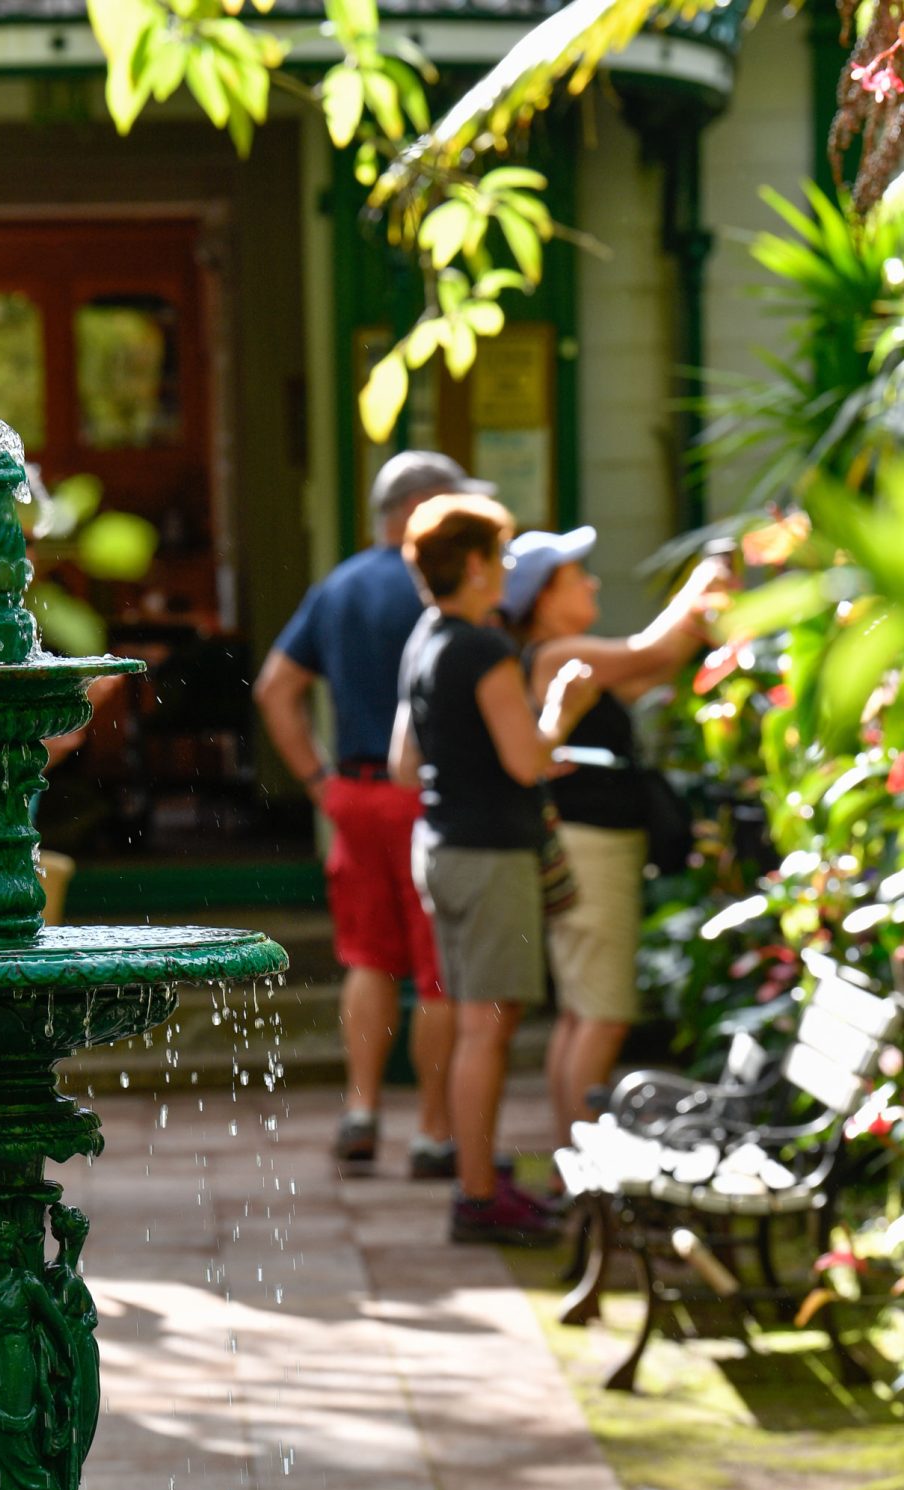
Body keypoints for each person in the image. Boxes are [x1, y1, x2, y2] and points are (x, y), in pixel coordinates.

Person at [253, 452, 494, 1179]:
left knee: (366, 957)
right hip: (431, 798)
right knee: (438, 969)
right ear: (424, 510)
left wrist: (318, 780)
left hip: (354, 797)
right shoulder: (449, 588)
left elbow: (275, 688)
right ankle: (433, 1129)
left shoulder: (340, 587)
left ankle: (360, 1112)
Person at [389, 495, 596, 1245]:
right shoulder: (482, 648)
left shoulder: (425, 638)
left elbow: (404, 764)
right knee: (487, 1029)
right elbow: (526, 757)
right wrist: (561, 707)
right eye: (503, 557)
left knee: (477, 1019)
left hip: (441, 845)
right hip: (489, 853)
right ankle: (478, 1195)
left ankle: (479, 1174)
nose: (508, 571)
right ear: (475, 565)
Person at [502, 529, 729, 1147]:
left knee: (582, 1012)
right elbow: (648, 653)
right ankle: (591, 1180)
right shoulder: (554, 657)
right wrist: (703, 583)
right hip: (593, 846)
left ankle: (570, 1169)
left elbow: (650, 666)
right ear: (545, 599)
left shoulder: (570, 660)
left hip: (591, 843)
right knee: (603, 1015)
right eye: (579, 575)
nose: (593, 583)